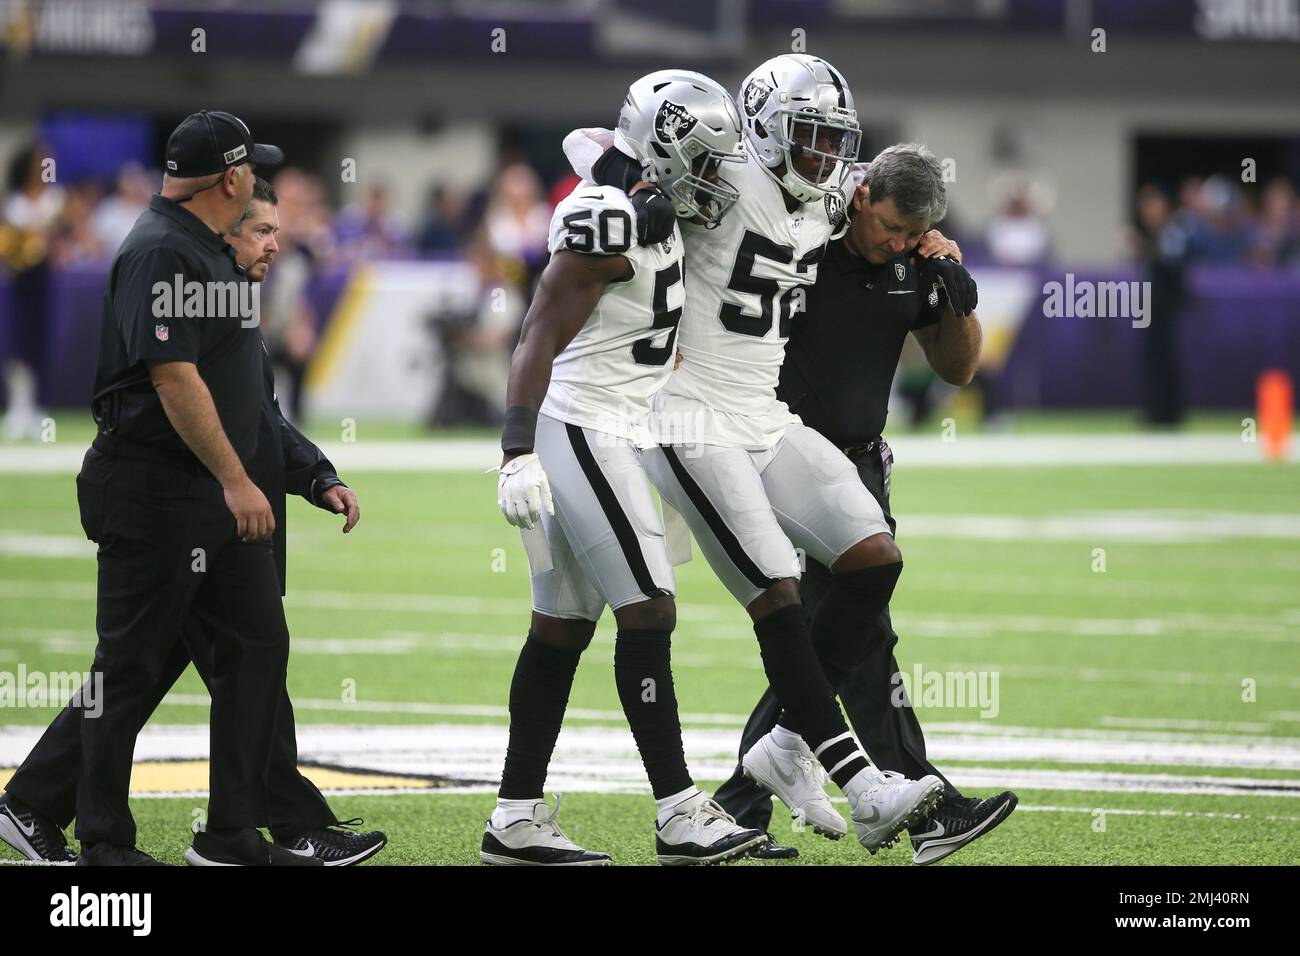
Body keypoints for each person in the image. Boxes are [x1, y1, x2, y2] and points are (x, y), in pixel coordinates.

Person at [567, 54, 944, 857]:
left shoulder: (835, 193)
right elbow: (587, 137)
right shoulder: (723, 167)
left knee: (873, 557)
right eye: (808, 136)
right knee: (775, 589)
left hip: (764, 412)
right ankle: (866, 786)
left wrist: (929, 242)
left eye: (833, 140)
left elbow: (881, 199)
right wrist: (627, 181)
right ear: (765, 125)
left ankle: (784, 749)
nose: (823, 154)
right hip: (690, 411)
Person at [0, 177, 387, 867]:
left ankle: (54, 805)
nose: (276, 245)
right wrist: (240, 483)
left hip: (214, 509)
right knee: (156, 665)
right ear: (225, 231)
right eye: (261, 231)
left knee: (229, 656)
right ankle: (131, 837)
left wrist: (314, 474)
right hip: (173, 505)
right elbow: (180, 395)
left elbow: (257, 415)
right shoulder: (179, 278)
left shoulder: (227, 298)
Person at [485, 70, 767, 866]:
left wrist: (634, 180)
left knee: (561, 629)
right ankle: (680, 811)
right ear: (670, 151)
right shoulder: (605, 219)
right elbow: (536, 331)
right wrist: (513, 451)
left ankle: (514, 818)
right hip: (577, 430)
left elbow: (596, 147)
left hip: (608, 428)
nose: (714, 179)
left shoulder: (639, 196)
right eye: (705, 162)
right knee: (648, 609)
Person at [713, 145, 1018, 865]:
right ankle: (924, 803)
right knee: (860, 638)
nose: (898, 244)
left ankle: (740, 805)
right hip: (785, 463)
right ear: (860, 196)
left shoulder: (917, 264)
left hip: (857, 471)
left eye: (912, 234)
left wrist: (953, 295)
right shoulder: (806, 246)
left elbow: (959, 367)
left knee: (831, 637)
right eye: (889, 228)